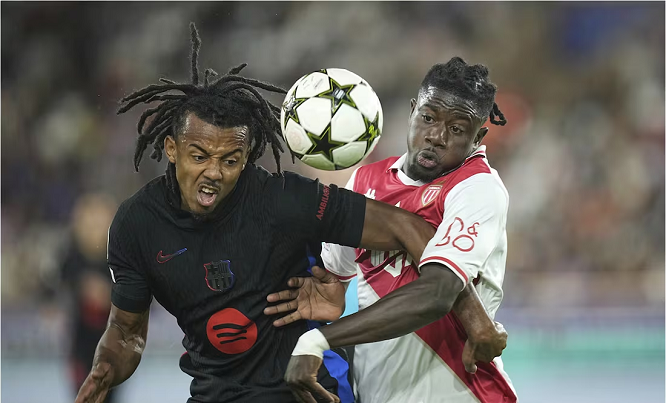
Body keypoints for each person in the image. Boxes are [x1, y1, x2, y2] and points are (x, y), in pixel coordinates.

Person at [74, 23, 449, 403]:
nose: (214, 172)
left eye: (230, 160)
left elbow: (407, 229)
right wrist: (105, 369)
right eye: (199, 157)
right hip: (214, 395)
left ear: (247, 157)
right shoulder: (137, 224)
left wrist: (466, 310)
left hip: (311, 390)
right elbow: (126, 332)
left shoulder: (283, 199)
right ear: (172, 149)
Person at [270, 57, 518, 403]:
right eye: (428, 118)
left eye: (457, 129)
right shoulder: (365, 180)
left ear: (478, 137)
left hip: (463, 392)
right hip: (379, 393)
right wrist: (328, 292)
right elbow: (336, 279)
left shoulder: (477, 187)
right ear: (412, 111)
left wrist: (320, 340)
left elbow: (438, 291)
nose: (436, 136)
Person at [59, 194, 120, 403]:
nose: (95, 228)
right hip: (81, 345)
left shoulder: (120, 258)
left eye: (100, 222)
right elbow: (57, 287)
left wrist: (109, 294)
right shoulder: (72, 257)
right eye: (90, 222)